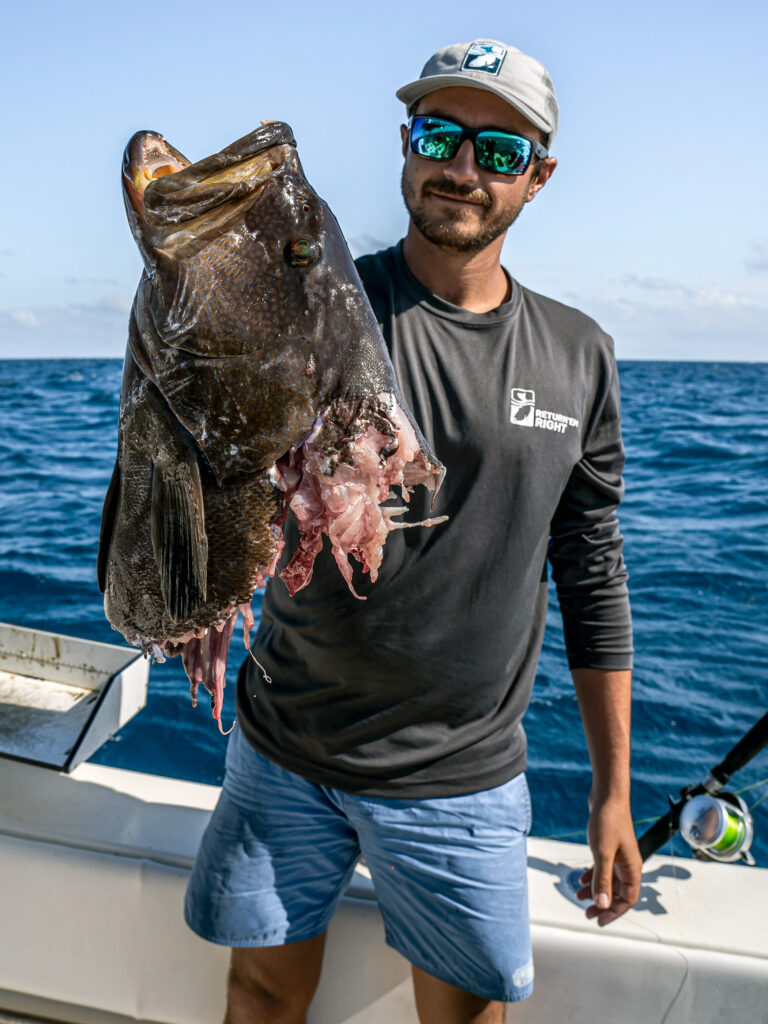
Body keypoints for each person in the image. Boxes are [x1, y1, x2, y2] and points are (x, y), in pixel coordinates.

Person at [185, 39, 643, 1024]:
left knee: (468, 1016)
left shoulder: (579, 355)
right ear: (407, 145)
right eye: (440, 135)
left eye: (501, 151)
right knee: (259, 990)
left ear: (539, 177)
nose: (463, 168)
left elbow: (593, 574)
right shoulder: (313, 310)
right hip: (284, 748)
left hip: (461, 777)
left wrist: (614, 792)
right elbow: (211, 465)